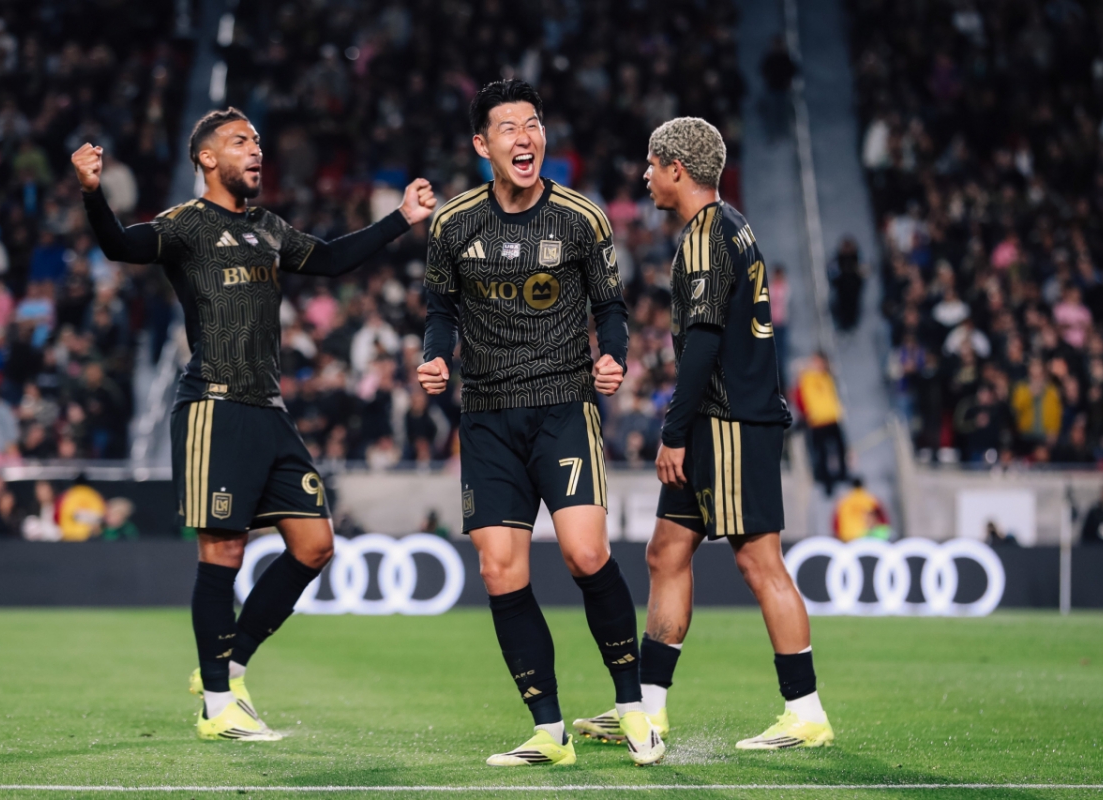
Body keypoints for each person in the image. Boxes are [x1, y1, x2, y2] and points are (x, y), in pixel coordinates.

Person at [73, 106, 436, 741]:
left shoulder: (267, 227)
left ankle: (227, 666)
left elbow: (329, 260)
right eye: (241, 141)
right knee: (223, 550)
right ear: (207, 158)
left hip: (269, 409)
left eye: (258, 141)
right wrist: (91, 192)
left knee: (315, 545)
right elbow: (119, 246)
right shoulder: (185, 225)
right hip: (214, 405)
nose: (256, 150)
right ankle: (219, 707)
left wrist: (401, 219)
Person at [416, 80, 661, 768]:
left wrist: (613, 356)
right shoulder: (453, 224)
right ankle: (548, 731)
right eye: (508, 127)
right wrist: (435, 356)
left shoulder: (582, 218)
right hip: (486, 416)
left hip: (563, 406)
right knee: (500, 572)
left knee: (585, 554)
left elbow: (610, 307)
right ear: (482, 144)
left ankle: (633, 707)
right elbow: (440, 311)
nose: (524, 138)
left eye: (533, 124)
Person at [576, 117, 833, 751]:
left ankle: (805, 712)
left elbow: (703, 345)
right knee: (666, 552)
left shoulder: (705, 239)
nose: (645, 175)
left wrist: (674, 430)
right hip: (722, 419)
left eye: (651, 164)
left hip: (730, 423)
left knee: (759, 562)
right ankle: (648, 709)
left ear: (677, 170)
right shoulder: (732, 225)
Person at [796, 353, 850, 496]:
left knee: (840, 449)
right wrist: (805, 414)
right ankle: (827, 482)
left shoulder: (828, 376)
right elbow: (799, 397)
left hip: (832, 418)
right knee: (822, 454)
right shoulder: (806, 378)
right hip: (817, 421)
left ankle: (843, 475)